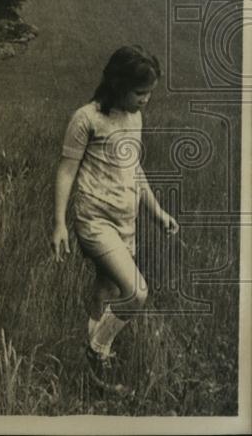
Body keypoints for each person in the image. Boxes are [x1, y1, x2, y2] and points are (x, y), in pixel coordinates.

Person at [51, 45, 179, 394]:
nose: (146, 100)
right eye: (140, 92)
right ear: (117, 85)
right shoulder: (87, 118)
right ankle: (97, 350)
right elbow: (66, 171)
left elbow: (134, 170)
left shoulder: (134, 117)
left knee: (106, 289)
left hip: (126, 221)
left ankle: (92, 375)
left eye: (150, 92)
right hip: (94, 221)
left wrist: (158, 213)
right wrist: (59, 223)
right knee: (136, 293)